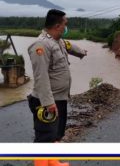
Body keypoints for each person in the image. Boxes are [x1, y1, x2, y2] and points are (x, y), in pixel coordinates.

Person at [27, 9, 87, 166]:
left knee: (56, 134)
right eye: (65, 24)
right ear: (57, 26)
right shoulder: (41, 45)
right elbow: (41, 76)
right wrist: (48, 103)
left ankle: (53, 162)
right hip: (46, 101)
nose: (67, 27)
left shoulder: (57, 42)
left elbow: (69, 46)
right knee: (44, 139)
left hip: (59, 98)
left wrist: (81, 52)